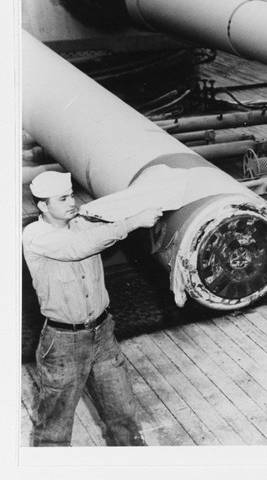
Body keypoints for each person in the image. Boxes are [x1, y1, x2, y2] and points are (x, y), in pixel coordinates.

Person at [22, 171, 162, 446]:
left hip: (103, 334)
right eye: (62, 198)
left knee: (124, 418)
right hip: (63, 343)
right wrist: (134, 221)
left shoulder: (82, 223)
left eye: (72, 194)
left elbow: (110, 211)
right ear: (43, 206)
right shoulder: (36, 235)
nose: (71, 202)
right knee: (54, 429)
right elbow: (78, 247)